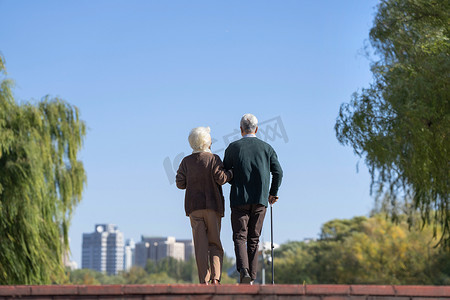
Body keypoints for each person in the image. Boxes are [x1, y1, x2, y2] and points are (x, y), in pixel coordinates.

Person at [223, 114, 283, 284]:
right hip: (260, 200)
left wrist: (235, 178)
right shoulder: (267, 148)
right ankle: (252, 277)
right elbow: (278, 172)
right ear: (257, 129)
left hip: (239, 199)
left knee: (240, 236)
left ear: (241, 129)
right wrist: (273, 192)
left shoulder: (233, 148)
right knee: (254, 238)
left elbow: (225, 173)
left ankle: (244, 271)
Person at [176, 126, 233, 285]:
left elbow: (180, 183)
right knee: (214, 243)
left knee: (200, 247)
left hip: (194, 208)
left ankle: (204, 281)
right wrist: (231, 173)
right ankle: (216, 278)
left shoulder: (186, 161)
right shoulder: (214, 159)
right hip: (213, 207)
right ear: (207, 142)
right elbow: (221, 178)